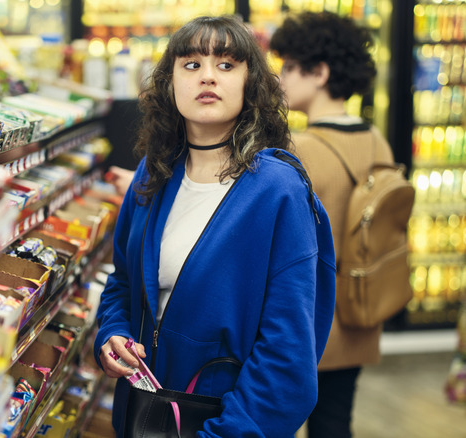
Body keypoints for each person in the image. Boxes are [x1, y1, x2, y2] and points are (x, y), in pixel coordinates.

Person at [93, 15, 336, 437]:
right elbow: (123, 282)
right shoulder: (153, 173)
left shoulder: (278, 191)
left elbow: (287, 356)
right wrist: (113, 332)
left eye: (226, 65)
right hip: (143, 415)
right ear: (169, 83)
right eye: (191, 64)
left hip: (223, 424)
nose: (207, 76)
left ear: (250, 83)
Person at [269, 11, 396, 438]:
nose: (281, 78)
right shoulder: (377, 140)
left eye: (290, 67)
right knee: (335, 423)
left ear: (320, 73)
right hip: (361, 311)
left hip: (308, 322)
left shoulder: (298, 148)